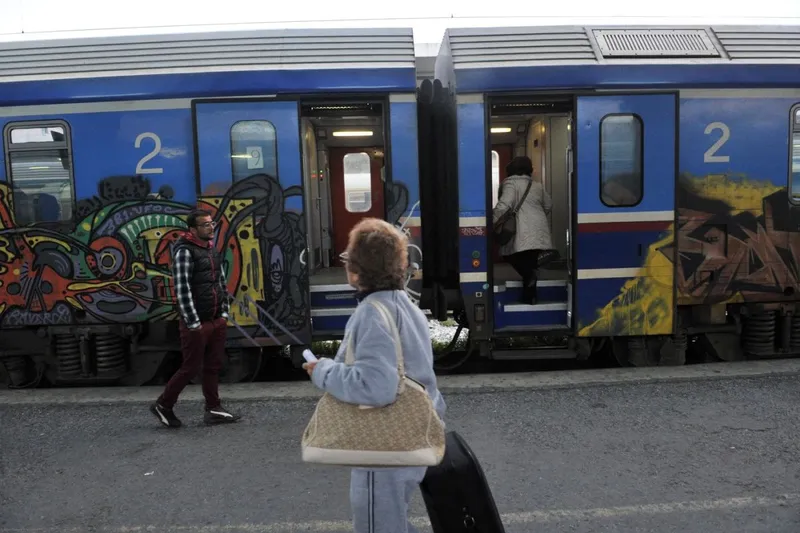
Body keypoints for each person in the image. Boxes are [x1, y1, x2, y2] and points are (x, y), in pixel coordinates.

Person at [303, 218, 446, 533]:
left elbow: (376, 388)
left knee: (377, 526)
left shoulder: (371, 314)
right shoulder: (405, 306)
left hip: (385, 445)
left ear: (355, 270)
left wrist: (323, 371)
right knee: (392, 521)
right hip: (413, 430)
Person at [150, 209, 240, 428]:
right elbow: (182, 290)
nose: (211, 228)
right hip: (197, 323)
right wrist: (194, 323)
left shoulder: (209, 249)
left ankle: (213, 409)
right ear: (193, 229)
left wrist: (224, 313)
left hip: (215, 319)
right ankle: (163, 404)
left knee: (212, 366)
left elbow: (219, 282)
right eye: (205, 225)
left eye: (212, 224)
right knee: (190, 368)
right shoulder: (184, 252)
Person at [492, 155, 553, 304]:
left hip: (522, 228)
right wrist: (536, 217)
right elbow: (548, 204)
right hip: (539, 227)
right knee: (530, 261)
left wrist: (490, 222)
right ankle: (530, 298)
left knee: (508, 255)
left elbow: (504, 205)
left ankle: (529, 282)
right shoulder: (537, 185)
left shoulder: (511, 183)